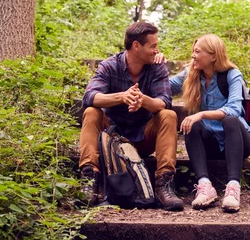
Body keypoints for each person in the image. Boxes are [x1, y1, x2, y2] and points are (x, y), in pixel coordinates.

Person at [79, 21, 184, 211]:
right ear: (136, 46)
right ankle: (89, 179)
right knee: (91, 112)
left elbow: (164, 101)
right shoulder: (110, 66)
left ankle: (164, 184)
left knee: (168, 115)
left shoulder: (157, 67)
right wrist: (122, 97)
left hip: (143, 138)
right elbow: (89, 96)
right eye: (153, 46)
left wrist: (142, 100)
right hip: (112, 142)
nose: (156, 50)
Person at [170, 34, 250, 212]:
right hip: (212, 143)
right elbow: (166, 85)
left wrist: (200, 114)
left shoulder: (232, 74)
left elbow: (233, 108)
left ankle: (233, 188)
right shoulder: (191, 74)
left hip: (238, 140)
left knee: (230, 119)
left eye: (198, 52)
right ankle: (205, 185)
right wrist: (153, 66)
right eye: (193, 51)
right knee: (191, 124)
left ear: (214, 56)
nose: (193, 55)